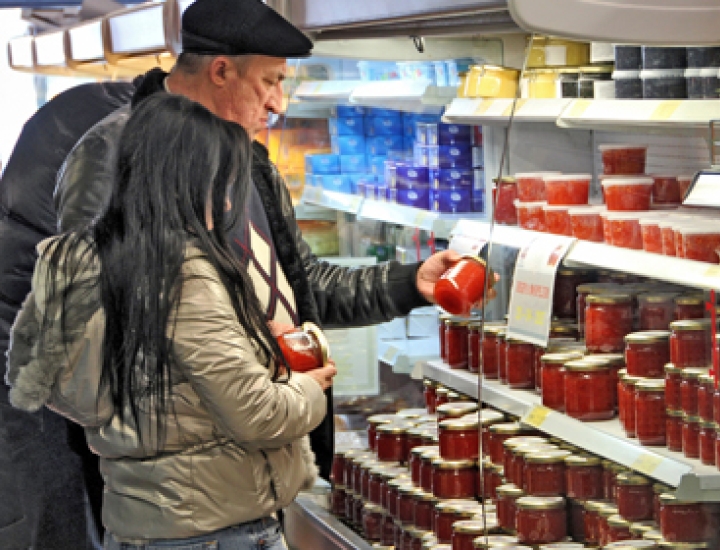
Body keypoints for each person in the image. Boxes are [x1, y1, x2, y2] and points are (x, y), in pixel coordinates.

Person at [53, 0, 460, 486]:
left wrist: (410, 283)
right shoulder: (113, 156)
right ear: (221, 71)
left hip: (259, 463)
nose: (278, 104)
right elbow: (88, 335)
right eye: (269, 81)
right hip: (183, 488)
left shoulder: (249, 161)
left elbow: (300, 284)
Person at [8, 92, 336, 548]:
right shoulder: (183, 273)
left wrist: (251, 340)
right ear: (186, 178)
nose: (227, 203)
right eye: (222, 181)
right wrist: (310, 388)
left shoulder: (92, 259)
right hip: (213, 528)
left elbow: (93, 392)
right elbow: (259, 415)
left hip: (136, 524)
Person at [0, 80, 135, 549]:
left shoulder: (83, 104)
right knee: (53, 521)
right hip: (30, 379)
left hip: (21, 351)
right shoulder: (111, 132)